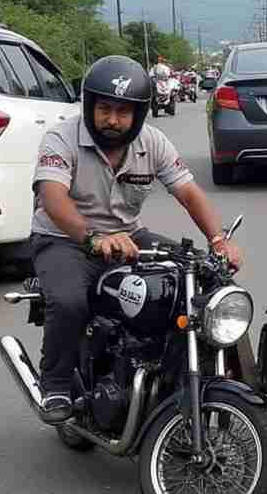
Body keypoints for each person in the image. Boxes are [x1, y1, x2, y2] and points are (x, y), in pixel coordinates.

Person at [29, 55, 243, 425]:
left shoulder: (152, 142)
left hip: (129, 235)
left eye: (123, 112)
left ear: (139, 114)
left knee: (209, 280)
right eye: (105, 109)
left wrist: (219, 241)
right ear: (90, 106)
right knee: (68, 302)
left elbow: (189, 193)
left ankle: (218, 373)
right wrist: (92, 237)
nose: (113, 120)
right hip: (66, 239)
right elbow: (53, 198)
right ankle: (57, 383)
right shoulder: (60, 137)